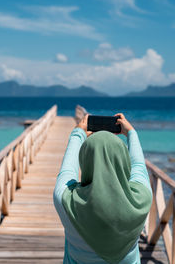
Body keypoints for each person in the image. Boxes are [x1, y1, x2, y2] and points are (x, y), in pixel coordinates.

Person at [53, 113, 153, 264]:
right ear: (123, 160)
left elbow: (67, 171)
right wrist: (131, 133)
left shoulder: (66, 201)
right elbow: (139, 166)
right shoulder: (142, 197)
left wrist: (78, 133)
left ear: (84, 160)